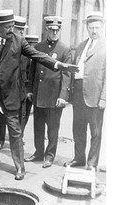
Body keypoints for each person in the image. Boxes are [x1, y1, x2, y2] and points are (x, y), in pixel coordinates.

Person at [0, 9, 79, 180]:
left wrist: (58, 65)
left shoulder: (19, 41)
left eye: (13, 26)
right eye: (8, 27)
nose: (12, 30)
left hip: (9, 92)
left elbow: (38, 55)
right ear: (0, 27)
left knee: (15, 130)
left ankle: (19, 167)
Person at [24, 16, 72, 168]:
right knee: (38, 125)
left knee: (52, 128)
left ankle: (49, 156)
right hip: (38, 94)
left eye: (57, 30)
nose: (55, 33)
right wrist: (30, 90)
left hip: (53, 95)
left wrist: (62, 96)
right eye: (51, 30)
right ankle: (38, 153)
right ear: (46, 30)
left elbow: (67, 75)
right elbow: (32, 70)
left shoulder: (65, 49)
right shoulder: (38, 47)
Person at [64, 12, 106, 170]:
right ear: (87, 28)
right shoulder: (81, 45)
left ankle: (92, 163)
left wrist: (104, 98)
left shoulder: (107, 46)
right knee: (78, 128)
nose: (94, 31)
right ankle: (79, 158)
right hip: (79, 93)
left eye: (97, 27)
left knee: (95, 131)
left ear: (102, 27)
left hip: (95, 95)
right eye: (91, 27)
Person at [0, 15, 29, 151]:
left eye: (22, 30)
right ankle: (0, 139)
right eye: (18, 29)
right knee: (4, 116)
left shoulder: (23, 43)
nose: (20, 32)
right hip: (8, 87)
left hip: (21, 87)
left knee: (20, 117)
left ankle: (18, 140)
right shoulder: (8, 44)